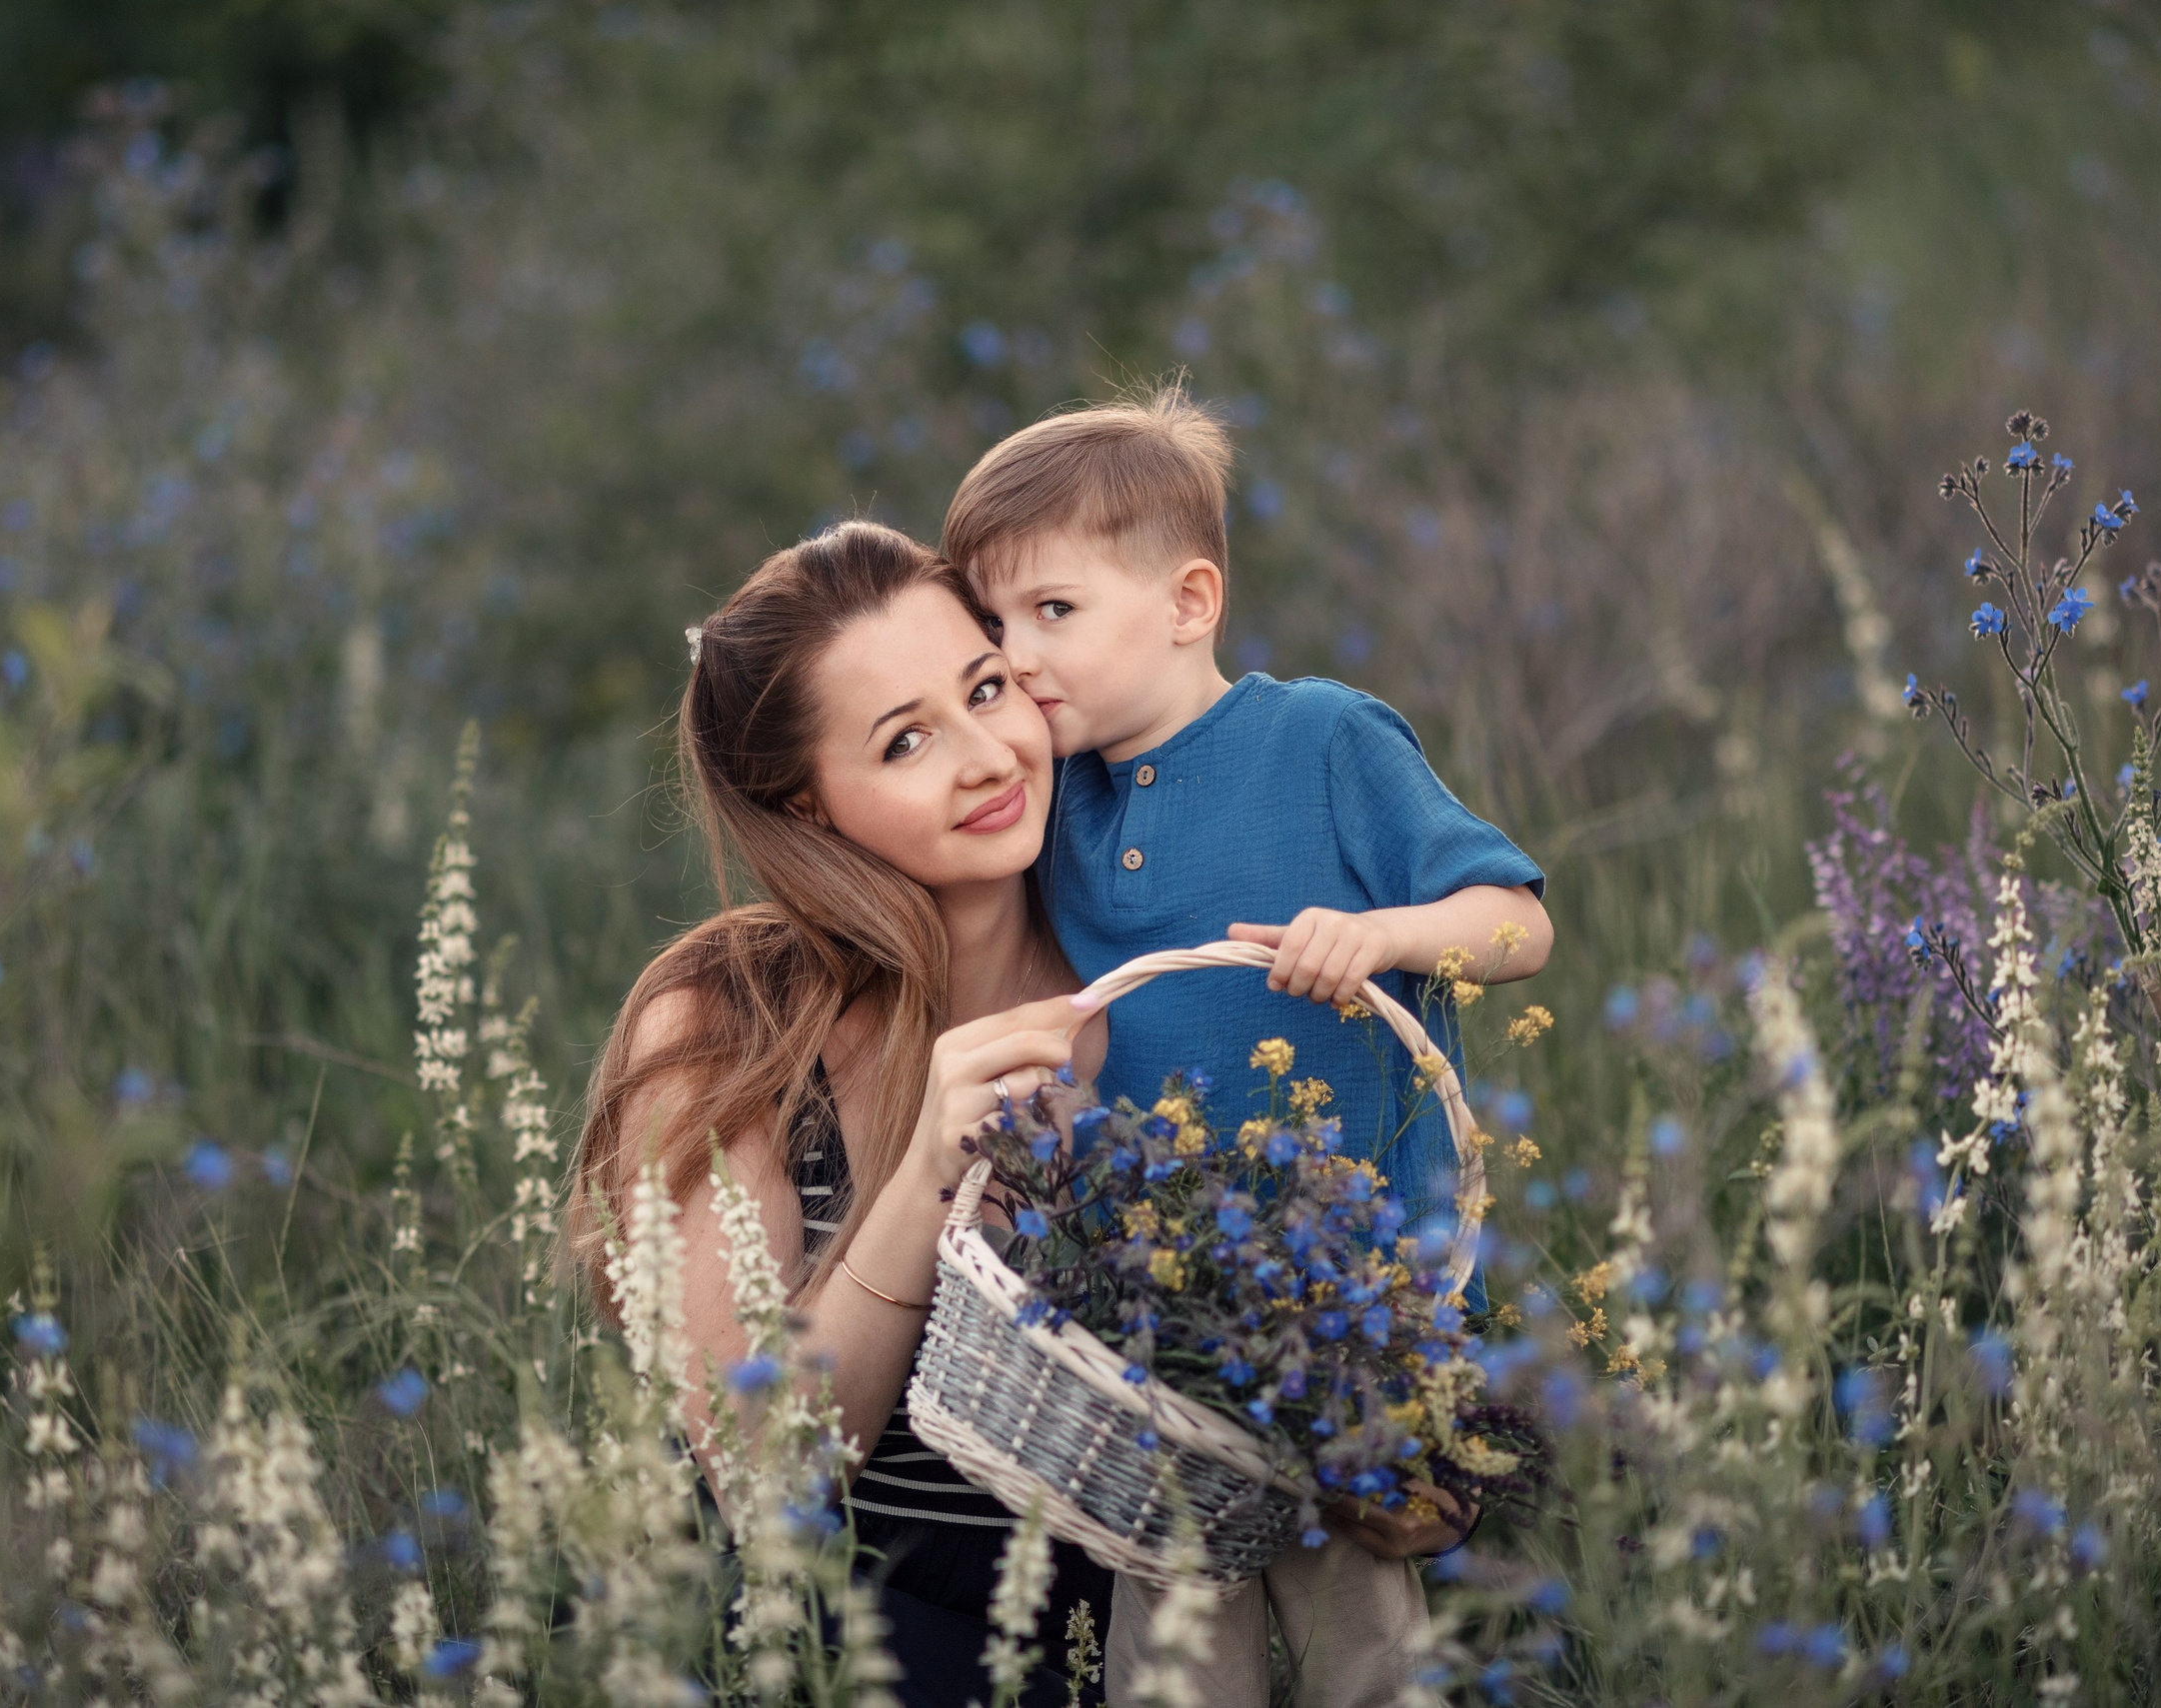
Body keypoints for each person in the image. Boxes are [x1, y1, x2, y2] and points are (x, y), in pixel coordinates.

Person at [940, 388, 1555, 1708]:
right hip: (1168, 1327)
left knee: (1365, 1646)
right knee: (1171, 1659)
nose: (1018, 653)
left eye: (1053, 610)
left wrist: (1387, 934)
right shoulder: (1059, 802)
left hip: (1356, 1308)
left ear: (1189, 600)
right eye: (993, 626)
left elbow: (1516, 923)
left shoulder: (1320, 737)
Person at [568, 521, 1111, 1707]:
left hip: (1111, 1643)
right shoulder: (728, 1021)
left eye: (986, 687)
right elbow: (764, 1474)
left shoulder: (1154, 985)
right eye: (908, 740)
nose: (986, 756)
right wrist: (927, 1171)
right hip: (820, 1636)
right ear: (809, 808)